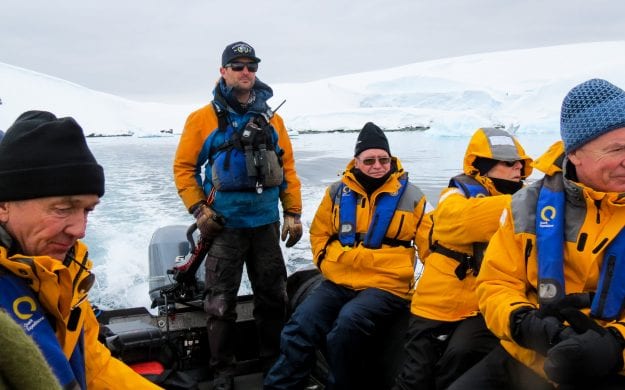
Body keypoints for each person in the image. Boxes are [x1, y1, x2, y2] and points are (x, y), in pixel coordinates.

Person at [449, 79, 625, 390]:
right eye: (616, 149)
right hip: (528, 356)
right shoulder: (527, 206)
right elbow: (496, 282)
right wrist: (525, 324)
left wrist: (614, 345)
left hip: (610, 365)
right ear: (575, 154)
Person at [173, 41, 303, 389]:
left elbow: (287, 167)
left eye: (252, 66)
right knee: (219, 305)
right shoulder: (202, 120)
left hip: (265, 225)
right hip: (223, 227)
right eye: (238, 65)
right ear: (223, 71)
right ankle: (223, 374)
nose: (246, 72)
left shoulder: (273, 119)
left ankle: (273, 366)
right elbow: (184, 169)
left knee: (273, 299)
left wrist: (293, 211)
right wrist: (200, 209)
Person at [264, 122, 433, 390]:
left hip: (386, 286)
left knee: (346, 327)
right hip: (340, 281)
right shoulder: (336, 193)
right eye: (369, 160)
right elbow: (319, 235)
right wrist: (326, 264)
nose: (377, 165)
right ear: (356, 161)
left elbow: (431, 250)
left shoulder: (412, 198)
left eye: (383, 159)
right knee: (301, 324)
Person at [0, 110, 162, 389]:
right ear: (4, 205)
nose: (80, 229)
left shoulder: (65, 272)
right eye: (63, 209)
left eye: (88, 210)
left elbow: (92, 365)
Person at [393, 127, 534, 390]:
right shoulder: (456, 195)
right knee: (415, 375)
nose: (518, 168)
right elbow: (459, 222)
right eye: (509, 163)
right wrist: (528, 206)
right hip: (439, 303)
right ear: (483, 165)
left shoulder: (528, 197)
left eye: (521, 163)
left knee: (459, 359)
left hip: (484, 303)